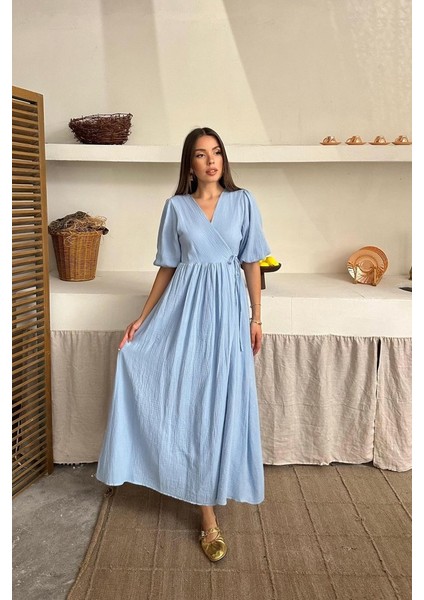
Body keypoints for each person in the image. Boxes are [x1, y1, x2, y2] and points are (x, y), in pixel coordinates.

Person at [96, 126, 271, 562]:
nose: (211, 161)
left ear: (223, 158)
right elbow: (168, 267)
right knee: (186, 396)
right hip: (185, 309)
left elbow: (251, 262)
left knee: (219, 400)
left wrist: (256, 317)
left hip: (228, 314)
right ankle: (205, 511)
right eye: (200, 154)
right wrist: (143, 318)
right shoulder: (175, 207)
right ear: (189, 164)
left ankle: (212, 491)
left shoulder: (243, 201)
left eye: (216, 152)